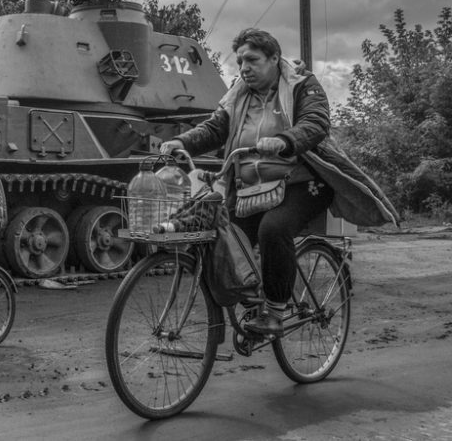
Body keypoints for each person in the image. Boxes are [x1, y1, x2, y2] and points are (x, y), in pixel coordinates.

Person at [160, 28, 397, 336]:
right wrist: (182, 142)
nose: (244, 68)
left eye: (252, 60)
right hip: (250, 190)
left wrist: (285, 140)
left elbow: (316, 123)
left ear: (274, 58)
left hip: (303, 184)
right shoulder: (238, 94)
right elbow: (215, 128)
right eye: (240, 61)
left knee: (272, 229)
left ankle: (274, 313)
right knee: (223, 234)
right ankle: (249, 295)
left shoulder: (302, 84)